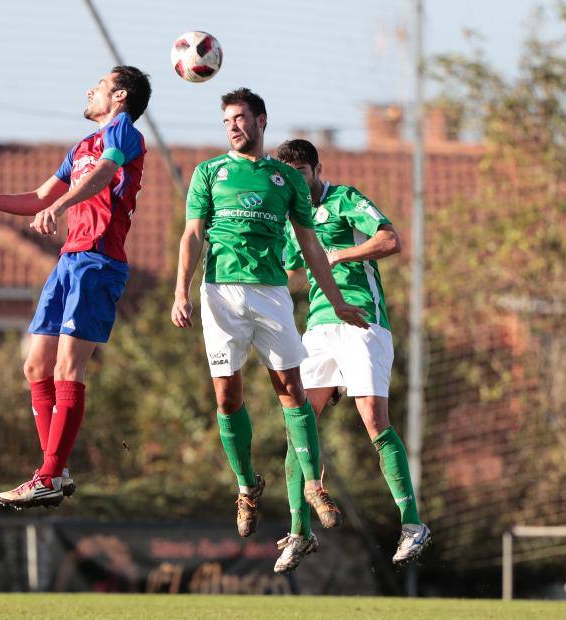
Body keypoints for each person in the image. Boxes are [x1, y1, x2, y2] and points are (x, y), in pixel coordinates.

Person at [171, 88, 370, 543]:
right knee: (226, 397)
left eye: (240, 118)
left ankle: (316, 487)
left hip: (272, 292)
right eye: (227, 121)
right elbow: (191, 235)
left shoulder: (286, 179)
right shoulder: (209, 172)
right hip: (220, 292)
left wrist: (338, 300)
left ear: (262, 120)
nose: (233, 126)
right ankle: (246, 488)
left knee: (291, 389)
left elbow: (311, 244)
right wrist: (180, 291)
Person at [0, 66, 151, 509]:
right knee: (35, 367)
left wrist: (63, 206)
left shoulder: (123, 133)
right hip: (68, 261)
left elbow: (105, 175)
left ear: (119, 96)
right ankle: (56, 471)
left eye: (100, 85)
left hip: (98, 261)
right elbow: (39, 197)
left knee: (69, 366)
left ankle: (47, 475)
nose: (90, 90)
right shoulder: (80, 146)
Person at [272, 138, 431, 573]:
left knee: (374, 422)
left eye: (301, 173)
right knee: (297, 425)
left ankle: (413, 524)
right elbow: (292, 270)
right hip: (320, 328)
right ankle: (299, 533)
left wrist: (340, 253)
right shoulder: (292, 220)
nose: (296, 183)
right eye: (287, 177)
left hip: (363, 321)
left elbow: (391, 239)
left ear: (316, 169)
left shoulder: (345, 199)